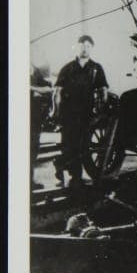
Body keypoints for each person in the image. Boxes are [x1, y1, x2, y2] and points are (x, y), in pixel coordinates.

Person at [54, 35, 109, 187]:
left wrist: (101, 111)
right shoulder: (67, 68)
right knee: (69, 145)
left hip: (87, 114)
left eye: (88, 46)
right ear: (76, 47)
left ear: (92, 48)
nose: (85, 48)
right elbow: (57, 91)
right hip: (69, 114)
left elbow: (103, 89)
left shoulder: (96, 68)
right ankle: (73, 175)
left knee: (83, 146)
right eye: (82, 45)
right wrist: (56, 113)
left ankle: (72, 173)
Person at [30, 64, 53, 190]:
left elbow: (48, 88)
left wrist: (31, 88)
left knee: (32, 149)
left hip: (33, 118)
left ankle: (29, 182)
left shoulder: (34, 71)